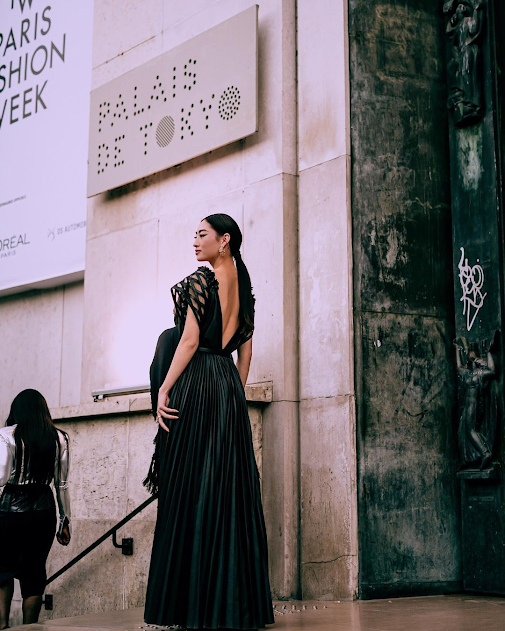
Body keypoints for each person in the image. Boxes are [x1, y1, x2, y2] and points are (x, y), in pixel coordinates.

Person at [144, 214, 273, 630]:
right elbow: (245, 356)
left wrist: (164, 389)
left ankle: (190, 606)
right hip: (227, 388)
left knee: (188, 486)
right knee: (228, 492)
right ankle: (231, 607)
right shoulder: (246, 291)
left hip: (197, 382)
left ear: (225, 240)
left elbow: (188, 341)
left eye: (202, 234)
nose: (195, 242)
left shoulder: (201, 281)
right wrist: (231, 393)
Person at [0, 389, 71, 630]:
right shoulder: (59, 438)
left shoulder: (6, 435)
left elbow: (1, 478)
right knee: (34, 572)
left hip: (10, 511)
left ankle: (3, 625)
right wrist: (65, 521)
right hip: (44, 510)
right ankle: (29, 628)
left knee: (3, 570)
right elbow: (61, 484)